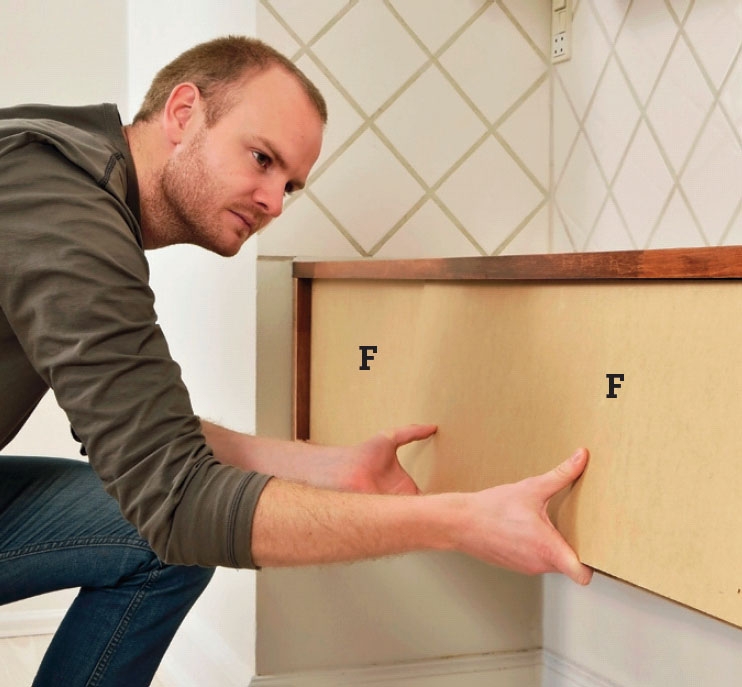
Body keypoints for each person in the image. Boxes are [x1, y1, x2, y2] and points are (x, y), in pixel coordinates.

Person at [0, 36, 592, 687]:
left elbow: (140, 437)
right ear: (183, 112)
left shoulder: (66, 176)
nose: (274, 203)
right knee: (175, 528)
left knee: (159, 543)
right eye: (261, 158)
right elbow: (181, 500)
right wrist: (460, 521)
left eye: (289, 185)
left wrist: (331, 467)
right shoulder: (60, 201)